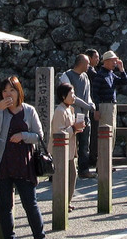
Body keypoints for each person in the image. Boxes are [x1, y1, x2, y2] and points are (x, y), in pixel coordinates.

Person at [0, 76, 46, 239]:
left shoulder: (28, 110)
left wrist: (23, 135)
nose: (8, 94)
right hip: (4, 163)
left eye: (12, 90)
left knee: (30, 204)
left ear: (18, 91)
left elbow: (39, 136)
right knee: (5, 206)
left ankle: (39, 236)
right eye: (5, 91)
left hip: (24, 163)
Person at [50, 82, 85, 214]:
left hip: (70, 149)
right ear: (63, 96)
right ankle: (64, 201)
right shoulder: (60, 111)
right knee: (66, 176)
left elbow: (69, 130)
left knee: (72, 175)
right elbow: (59, 133)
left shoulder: (69, 110)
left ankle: (67, 201)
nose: (74, 96)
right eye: (71, 94)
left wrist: (76, 128)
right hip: (61, 151)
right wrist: (74, 128)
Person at [61, 54, 95, 179]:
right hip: (72, 115)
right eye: (87, 63)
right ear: (80, 63)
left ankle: (84, 169)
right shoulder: (66, 76)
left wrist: (92, 104)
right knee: (70, 144)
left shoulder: (86, 76)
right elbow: (71, 98)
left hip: (84, 116)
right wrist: (87, 106)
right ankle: (66, 170)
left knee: (85, 144)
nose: (89, 66)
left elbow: (88, 94)